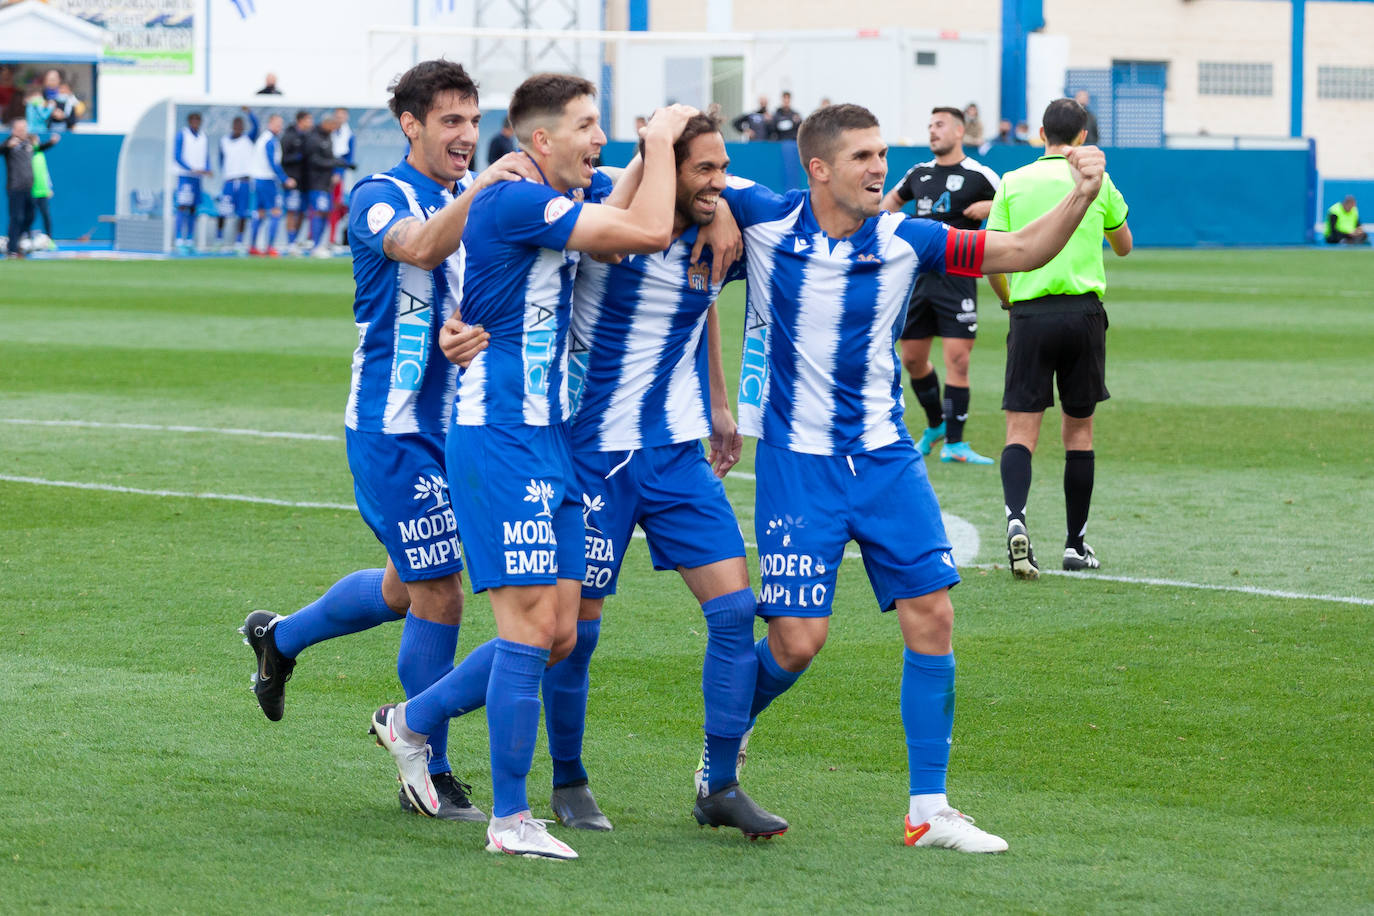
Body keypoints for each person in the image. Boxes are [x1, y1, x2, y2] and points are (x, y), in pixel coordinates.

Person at [718, 102, 1108, 853]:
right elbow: (683, 173)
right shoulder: (762, 216)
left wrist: (1082, 197)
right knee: (796, 643)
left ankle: (929, 809)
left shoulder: (908, 237)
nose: (880, 168)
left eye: (882, 154)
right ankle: (724, 745)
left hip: (886, 458)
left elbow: (1021, 249)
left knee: (933, 613)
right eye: (862, 157)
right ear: (818, 168)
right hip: (797, 465)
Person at [369, 74, 698, 862]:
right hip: (499, 437)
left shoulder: (552, 196)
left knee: (557, 634)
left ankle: (410, 722)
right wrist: (660, 138)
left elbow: (623, 214)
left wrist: (659, 167)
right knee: (525, 630)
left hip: (551, 439)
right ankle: (511, 820)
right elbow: (648, 230)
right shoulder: (514, 200)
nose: (599, 139)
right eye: (587, 126)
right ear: (541, 140)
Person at [240, 60, 538, 823]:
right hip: (391, 427)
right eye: (450, 121)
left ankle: (280, 638)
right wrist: (483, 188)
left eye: (473, 122)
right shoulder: (381, 193)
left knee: (405, 588)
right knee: (441, 591)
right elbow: (419, 248)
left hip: (460, 423)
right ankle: (426, 768)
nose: (466, 136)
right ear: (411, 124)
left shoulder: (467, 198)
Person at [547, 113, 784, 838]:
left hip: (677, 454)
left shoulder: (720, 222)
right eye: (704, 170)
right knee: (573, 635)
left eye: (724, 168)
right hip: (595, 456)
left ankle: (720, 783)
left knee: (734, 613)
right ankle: (567, 779)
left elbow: (704, 298)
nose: (720, 181)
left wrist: (718, 401)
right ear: (664, 169)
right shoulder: (607, 217)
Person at [986, 97, 1131, 579]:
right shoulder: (1097, 180)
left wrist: (1010, 300)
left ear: (1041, 133)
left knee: (1020, 432)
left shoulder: (1012, 181)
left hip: (1030, 314)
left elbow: (993, 258)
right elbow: (1124, 245)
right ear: (1083, 136)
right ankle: (1075, 544)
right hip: (1083, 314)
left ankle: (1016, 518)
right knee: (1079, 432)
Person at [880, 106, 1000, 465]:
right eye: (930, 125)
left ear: (959, 131)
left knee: (957, 359)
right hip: (916, 277)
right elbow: (887, 207)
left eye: (940, 125)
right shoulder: (918, 173)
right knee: (912, 359)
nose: (933, 131)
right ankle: (936, 426)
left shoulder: (980, 174)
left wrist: (989, 206)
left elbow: (1015, 203)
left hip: (958, 277)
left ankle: (956, 444)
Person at [3, 116, 59, 258]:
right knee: (16, 217)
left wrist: (51, 143)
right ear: (14, 130)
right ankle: (12, 249)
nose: (23, 131)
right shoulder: (10, 144)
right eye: (20, 128)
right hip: (15, 187)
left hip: (29, 188)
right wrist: (8, 146)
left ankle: (20, 241)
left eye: (25, 128)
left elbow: (40, 148)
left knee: (30, 216)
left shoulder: (29, 143)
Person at [215, 109, 259, 253]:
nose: (238, 127)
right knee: (223, 211)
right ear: (232, 126)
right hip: (229, 181)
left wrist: (250, 113)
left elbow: (257, 126)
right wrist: (226, 173)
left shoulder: (248, 139)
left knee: (242, 213)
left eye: (241, 125)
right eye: (236, 124)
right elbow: (221, 160)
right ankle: (219, 239)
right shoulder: (224, 141)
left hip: (244, 181)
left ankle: (239, 241)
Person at [247, 113, 289, 255]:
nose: (280, 127)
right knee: (276, 212)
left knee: (259, 213)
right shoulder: (270, 140)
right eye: (277, 124)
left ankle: (253, 246)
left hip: (257, 179)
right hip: (267, 180)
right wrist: (284, 179)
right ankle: (270, 247)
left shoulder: (263, 138)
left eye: (281, 125)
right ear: (270, 124)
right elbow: (272, 162)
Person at [173, 111, 211, 253]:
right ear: (189, 121)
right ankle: (178, 239)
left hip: (197, 178)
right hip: (185, 176)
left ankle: (189, 239)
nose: (196, 123)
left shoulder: (203, 136)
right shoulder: (182, 134)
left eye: (198, 120)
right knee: (182, 206)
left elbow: (206, 156)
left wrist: (207, 169)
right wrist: (190, 168)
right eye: (193, 120)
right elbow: (177, 156)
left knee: (194, 208)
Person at [280, 110, 312, 252]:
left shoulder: (308, 136)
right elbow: (283, 159)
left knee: (302, 212)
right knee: (292, 211)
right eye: (308, 120)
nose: (310, 123)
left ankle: (296, 240)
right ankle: (290, 242)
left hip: (305, 182)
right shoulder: (289, 136)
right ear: (301, 121)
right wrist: (299, 157)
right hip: (292, 181)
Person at [327, 107, 355, 248]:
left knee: (338, 207)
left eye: (342, 116)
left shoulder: (349, 135)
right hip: (324, 175)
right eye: (338, 116)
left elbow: (348, 158)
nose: (340, 118)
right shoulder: (328, 132)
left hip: (340, 177)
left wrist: (338, 173)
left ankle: (333, 238)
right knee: (322, 207)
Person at [30, 144, 55, 248]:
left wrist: (49, 187)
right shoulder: (27, 154)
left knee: (46, 216)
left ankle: (49, 240)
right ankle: (26, 239)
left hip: (43, 192)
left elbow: (45, 172)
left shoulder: (41, 155)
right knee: (29, 217)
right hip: (31, 192)